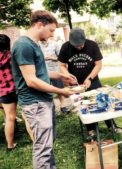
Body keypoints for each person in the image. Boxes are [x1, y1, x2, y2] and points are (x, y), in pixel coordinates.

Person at [11, 10, 76, 169]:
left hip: (43, 102)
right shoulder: (23, 45)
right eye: (51, 30)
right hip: (36, 104)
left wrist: (60, 76)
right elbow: (31, 80)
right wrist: (61, 91)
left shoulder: (34, 44)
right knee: (43, 148)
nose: (52, 35)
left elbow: (40, 73)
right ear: (40, 25)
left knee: (47, 144)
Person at [58, 28, 120, 138]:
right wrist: (67, 75)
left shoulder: (92, 45)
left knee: (102, 102)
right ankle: (91, 129)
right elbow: (61, 66)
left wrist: (90, 79)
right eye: (76, 45)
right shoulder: (65, 47)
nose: (78, 47)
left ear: (84, 39)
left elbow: (98, 64)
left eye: (80, 45)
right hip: (76, 84)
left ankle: (111, 125)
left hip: (93, 81)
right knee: (83, 105)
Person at [0, 34, 18, 151]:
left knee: (9, 118)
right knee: (28, 116)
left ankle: (10, 145)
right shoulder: (12, 55)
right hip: (19, 88)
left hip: (5, 91)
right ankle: (36, 140)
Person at [39, 37, 68, 113]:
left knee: (59, 89)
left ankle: (63, 106)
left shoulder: (54, 44)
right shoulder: (37, 45)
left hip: (55, 71)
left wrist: (51, 58)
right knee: (46, 90)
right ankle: (51, 108)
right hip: (44, 72)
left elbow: (61, 58)